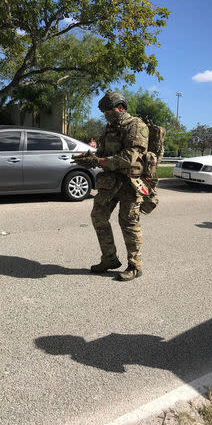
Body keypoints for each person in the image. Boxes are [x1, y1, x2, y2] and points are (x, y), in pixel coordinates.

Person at [87, 90, 149, 281]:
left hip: (130, 182)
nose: (106, 115)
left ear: (120, 107)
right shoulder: (109, 128)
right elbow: (103, 152)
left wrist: (103, 161)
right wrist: (92, 159)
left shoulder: (137, 126)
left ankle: (135, 265)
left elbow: (130, 156)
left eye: (108, 111)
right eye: (104, 112)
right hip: (110, 182)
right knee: (98, 216)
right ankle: (110, 258)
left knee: (128, 223)